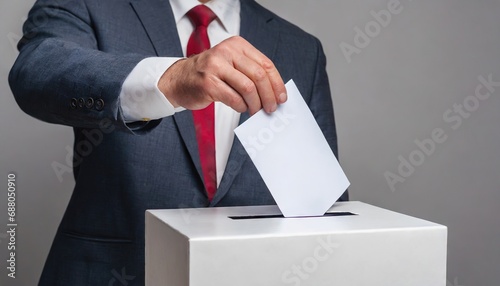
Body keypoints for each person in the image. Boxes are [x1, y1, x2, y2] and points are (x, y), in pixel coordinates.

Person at [9, 0, 348, 284]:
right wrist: (170, 79)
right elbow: (37, 70)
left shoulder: (302, 48)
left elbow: (328, 210)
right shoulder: (91, 4)